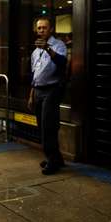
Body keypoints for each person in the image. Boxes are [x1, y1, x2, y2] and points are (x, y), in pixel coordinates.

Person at [28, 17, 67, 175]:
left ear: (51, 29)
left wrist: (48, 49)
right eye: (39, 28)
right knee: (41, 125)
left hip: (52, 89)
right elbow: (34, 75)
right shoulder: (35, 52)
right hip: (38, 90)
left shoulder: (58, 45)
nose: (42, 30)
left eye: (45, 28)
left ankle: (53, 161)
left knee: (48, 126)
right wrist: (31, 95)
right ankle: (56, 157)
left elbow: (62, 62)